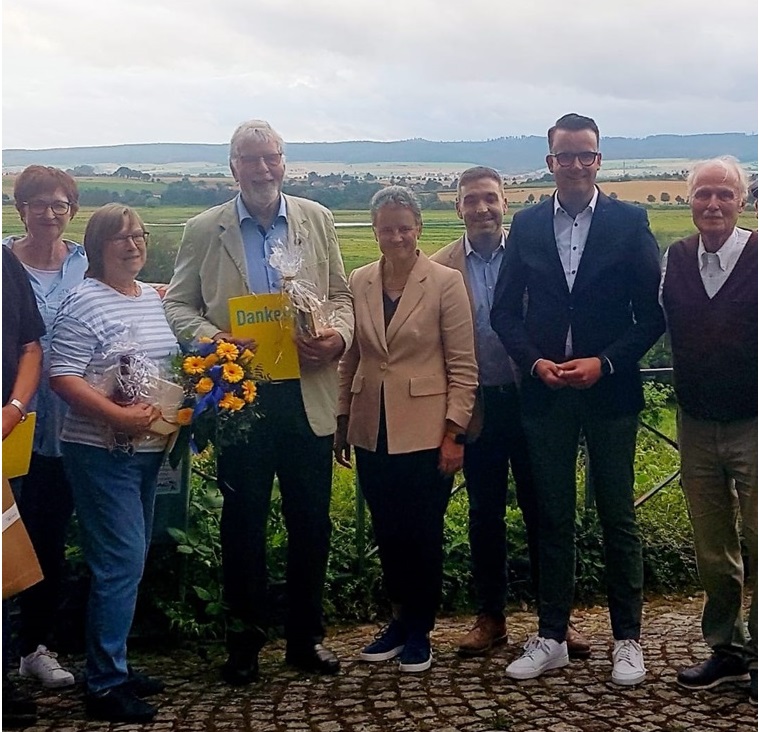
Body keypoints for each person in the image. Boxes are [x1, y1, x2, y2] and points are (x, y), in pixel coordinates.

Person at [164, 119, 354, 685]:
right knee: (242, 526)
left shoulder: (315, 219)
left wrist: (337, 337)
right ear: (233, 168)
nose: (263, 168)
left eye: (271, 157)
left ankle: (305, 639)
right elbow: (178, 305)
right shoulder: (205, 229)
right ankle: (244, 645)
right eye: (251, 159)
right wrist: (212, 342)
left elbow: (341, 295)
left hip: (308, 393)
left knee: (311, 524)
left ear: (284, 161)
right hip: (241, 400)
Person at [491, 113, 665, 686]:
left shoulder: (630, 221)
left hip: (610, 390)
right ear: (549, 162)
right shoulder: (528, 223)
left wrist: (605, 362)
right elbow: (502, 311)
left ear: (599, 159)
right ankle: (552, 636)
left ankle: (627, 640)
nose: (574, 164)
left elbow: (651, 316)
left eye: (585, 154)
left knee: (618, 515)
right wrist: (533, 362)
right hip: (546, 392)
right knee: (553, 517)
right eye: (564, 155)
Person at [430, 166, 590, 659]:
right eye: (471, 200)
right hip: (477, 404)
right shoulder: (439, 266)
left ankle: (556, 619)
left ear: (506, 203)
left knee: (546, 509)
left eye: (490, 199)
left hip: (533, 398)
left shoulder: (531, 251)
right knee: (484, 516)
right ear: (458, 207)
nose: (481, 208)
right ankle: (491, 617)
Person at [334, 186, 477, 672]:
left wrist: (454, 432)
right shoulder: (360, 280)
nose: (395, 236)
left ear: (418, 228)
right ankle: (397, 620)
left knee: (423, 533)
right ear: (374, 231)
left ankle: (421, 628)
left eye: (404, 227)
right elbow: (351, 357)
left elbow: (463, 365)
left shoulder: (445, 282)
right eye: (386, 228)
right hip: (372, 425)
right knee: (388, 531)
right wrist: (341, 419)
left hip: (427, 429)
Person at [50, 204, 178, 723]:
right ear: (98, 246)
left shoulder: (151, 296)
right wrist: (115, 417)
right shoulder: (82, 302)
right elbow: (63, 376)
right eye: (120, 238)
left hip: (150, 451)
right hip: (100, 451)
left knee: (132, 558)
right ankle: (104, 685)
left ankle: (115, 665)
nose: (132, 245)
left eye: (139, 236)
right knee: (119, 563)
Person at [660, 157, 756, 703]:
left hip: (755, 422)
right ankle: (728, 649)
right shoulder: (674, 259)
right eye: (703, 195)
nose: (713, 205)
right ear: (689, 200)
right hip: (695, 422)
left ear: (741, 202)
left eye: (724, 195)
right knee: (713, 546)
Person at [3, 166, 87, 689]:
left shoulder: (85, 262)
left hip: (71, 425)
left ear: (72, 210)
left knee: (49, 539)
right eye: (38, 204)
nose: (49, 213)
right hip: (13, 426)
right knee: (11, 537)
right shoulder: (5, 263)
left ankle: (36, 647)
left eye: (59, 204)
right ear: (21, 210)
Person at [2, 246, 45, 729]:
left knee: (0, 563)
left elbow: (30, 345)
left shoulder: (4, 263)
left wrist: (13, 409)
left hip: (0, 437)